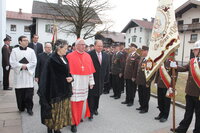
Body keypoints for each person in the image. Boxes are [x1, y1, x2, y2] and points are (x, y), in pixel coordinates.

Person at [38, 39, 73, 133]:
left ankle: (57, 129)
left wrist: (71, 78)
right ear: (59, 48)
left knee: (60, 113)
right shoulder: (51, 59)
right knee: (53, 113)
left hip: (64, 91)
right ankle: (50, 129)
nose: (67, 50)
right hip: (54, 92)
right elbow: (46, 77)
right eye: (65, 48)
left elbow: (67, 72)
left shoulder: (64, 58)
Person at [67, 38, 95, 133]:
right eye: (82, 44)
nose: (84, 46)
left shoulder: (88, 56)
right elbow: (67, 71)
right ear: (76, 45)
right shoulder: (70, 56)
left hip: (84, 83)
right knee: (74, 103)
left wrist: (91, 82)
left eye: (84, 45)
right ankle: (73, 122)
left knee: (81, 102)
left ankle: (78, 117)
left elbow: (90, 71)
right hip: (75, 83)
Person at [170, 41, 200, 133]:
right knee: (188, 112)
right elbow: (184, 68)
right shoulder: (192, 61)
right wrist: (174, 66)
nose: (194, 51)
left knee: (199, 115)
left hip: (198, 93)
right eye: (194, 50)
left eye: (195, 49)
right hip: (190, 91)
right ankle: (182, 129)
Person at [9, 36, 37, 115]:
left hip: (28, 75)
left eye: (27, 40)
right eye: (24, 40)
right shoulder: (14, 51)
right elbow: (12, 61)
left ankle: (29, 108)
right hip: (19, 75)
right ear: (20, 41)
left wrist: (27, 66)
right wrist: (21, 66)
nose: (26, 42)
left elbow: (34, 61)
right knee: (20, 93)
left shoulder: (31, 51)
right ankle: (21, 107)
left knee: (29, 94)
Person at [88, 40, 110, 120]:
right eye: (98, 46)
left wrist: (107, 78)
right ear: (94, 46)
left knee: (98, 95)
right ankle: (90, 112)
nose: (100, 47)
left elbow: (108, 67)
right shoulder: (89, 54)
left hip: (101, 79)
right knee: (91, 96)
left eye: (101, 46)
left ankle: (95, 109)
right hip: (92, 79)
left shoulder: (106, 55)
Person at [154, 53, 178, 122]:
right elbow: (158, 72)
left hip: (167, 85)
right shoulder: (162, 60)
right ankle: (161, 113)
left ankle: (165, 116)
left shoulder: (173, 62)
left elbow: (174, 75)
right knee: (160, 101)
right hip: (160, 84)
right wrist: (156, 81)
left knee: (166, 102)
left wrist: (172, 86)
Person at [134, 46, 154, 113]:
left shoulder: (149, 60)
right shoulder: (142, 59)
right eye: (142, 51)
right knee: (141, 94)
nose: (141, 52)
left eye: (143, 51)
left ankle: (145, 108)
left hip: (145, 81)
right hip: (140, 80)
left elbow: (150, 73)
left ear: (147, 51)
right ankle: (141, 106)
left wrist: (148, 82)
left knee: (145, 95)